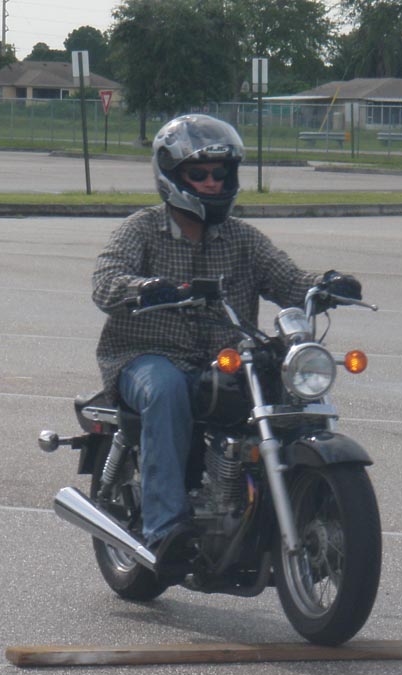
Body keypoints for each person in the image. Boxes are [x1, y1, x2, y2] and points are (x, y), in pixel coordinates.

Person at [92, 113, 361, 563]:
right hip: (146, 355)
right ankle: (163, 529)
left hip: (227, 360)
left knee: (289, 390)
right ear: (172, 176)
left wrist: (326, 284)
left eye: (220, 173)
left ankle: (287, 506)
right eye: (199, 174)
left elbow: (287, 279)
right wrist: (143, 288)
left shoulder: (242, 239)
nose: (212, 183)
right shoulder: (142, 229)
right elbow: (105, 281)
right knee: (167, 391)